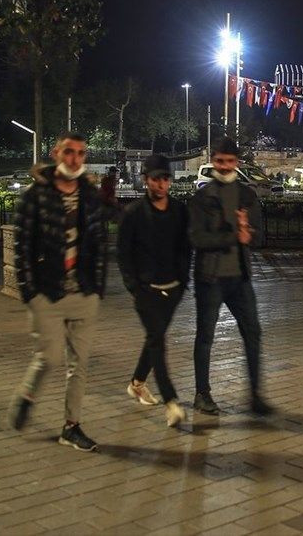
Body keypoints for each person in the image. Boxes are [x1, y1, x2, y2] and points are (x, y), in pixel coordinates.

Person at [7, 133, 108, 452]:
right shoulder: (35, 196)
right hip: (47, 294)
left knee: (79, 365)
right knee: (48, 357)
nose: (75, 159)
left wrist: (98, 288)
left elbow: (99, 243)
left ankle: (72, 426)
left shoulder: (90, 195)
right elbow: (21, 247)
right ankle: (27, 395)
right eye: (69, 152)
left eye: (81, 153)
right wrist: (29, 292)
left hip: (84, 293)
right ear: (56, 153)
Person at [189, 137, 274, 418]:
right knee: (205, 336)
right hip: (210, 277)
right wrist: (233, 235)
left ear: (236, 164)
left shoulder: (247, 196)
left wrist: (249, 236)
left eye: (230, 161)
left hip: (240, 277)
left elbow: (259, 237)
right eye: (220, 161)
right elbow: (198, 238)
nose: (224, 166)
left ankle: (255, 395)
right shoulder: (203, 197)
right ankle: (202, 394)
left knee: (253, 333)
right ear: (213, 161)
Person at [117, 155, 190, 428]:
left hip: (173, 288)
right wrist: (134, 287)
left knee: (154, 338)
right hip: (146, 290)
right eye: (155, 179)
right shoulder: (133, 213)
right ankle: (171, 401)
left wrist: (183, 281)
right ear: (146, 180)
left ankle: (137, 383)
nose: (161, 184)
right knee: (158, 342)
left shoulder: (180, 211)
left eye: (165, 179)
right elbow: (123, 253)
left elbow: (185, 248)